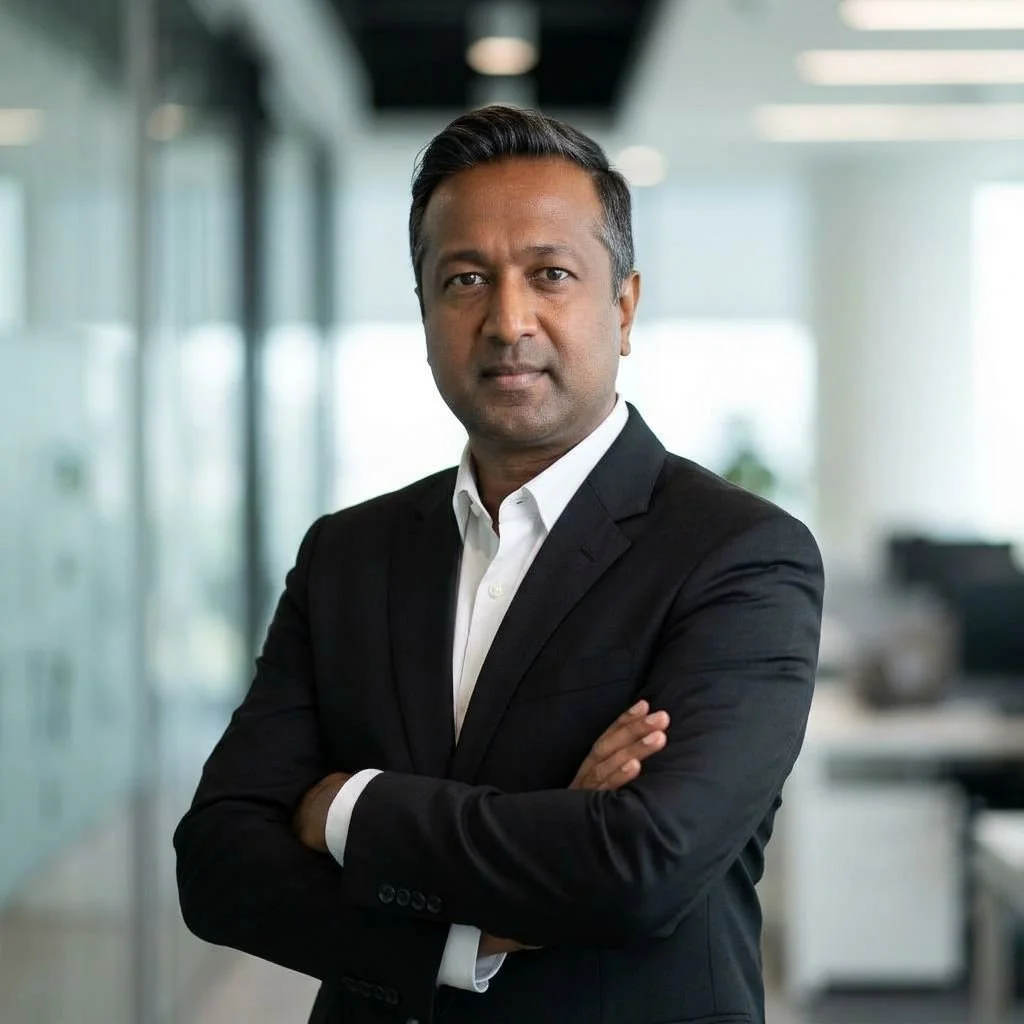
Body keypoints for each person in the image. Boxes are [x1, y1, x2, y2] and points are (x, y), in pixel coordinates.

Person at [174, 105, 824, 1024]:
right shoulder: (348, 554)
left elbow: (639, 866)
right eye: (465, 279)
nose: (506, 319)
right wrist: (465, 936)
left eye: (551, 275)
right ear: (426, 310)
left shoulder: (738, 554)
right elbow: (219, 864)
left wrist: (348, 809)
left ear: (624, 305)